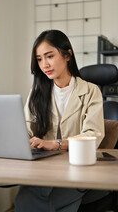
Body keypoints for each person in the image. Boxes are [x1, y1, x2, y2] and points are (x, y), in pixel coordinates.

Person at [14, 30, 105, 212]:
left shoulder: (91, 91)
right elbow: (26, 129)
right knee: (26, 196)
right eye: (39, 59)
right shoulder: (37, 92)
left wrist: (55, 144)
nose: (44, 64)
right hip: (44, 167)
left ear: (67, 55)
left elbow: (92, 136)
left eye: (49, 56)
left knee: (29, 202)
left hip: (78, 166)